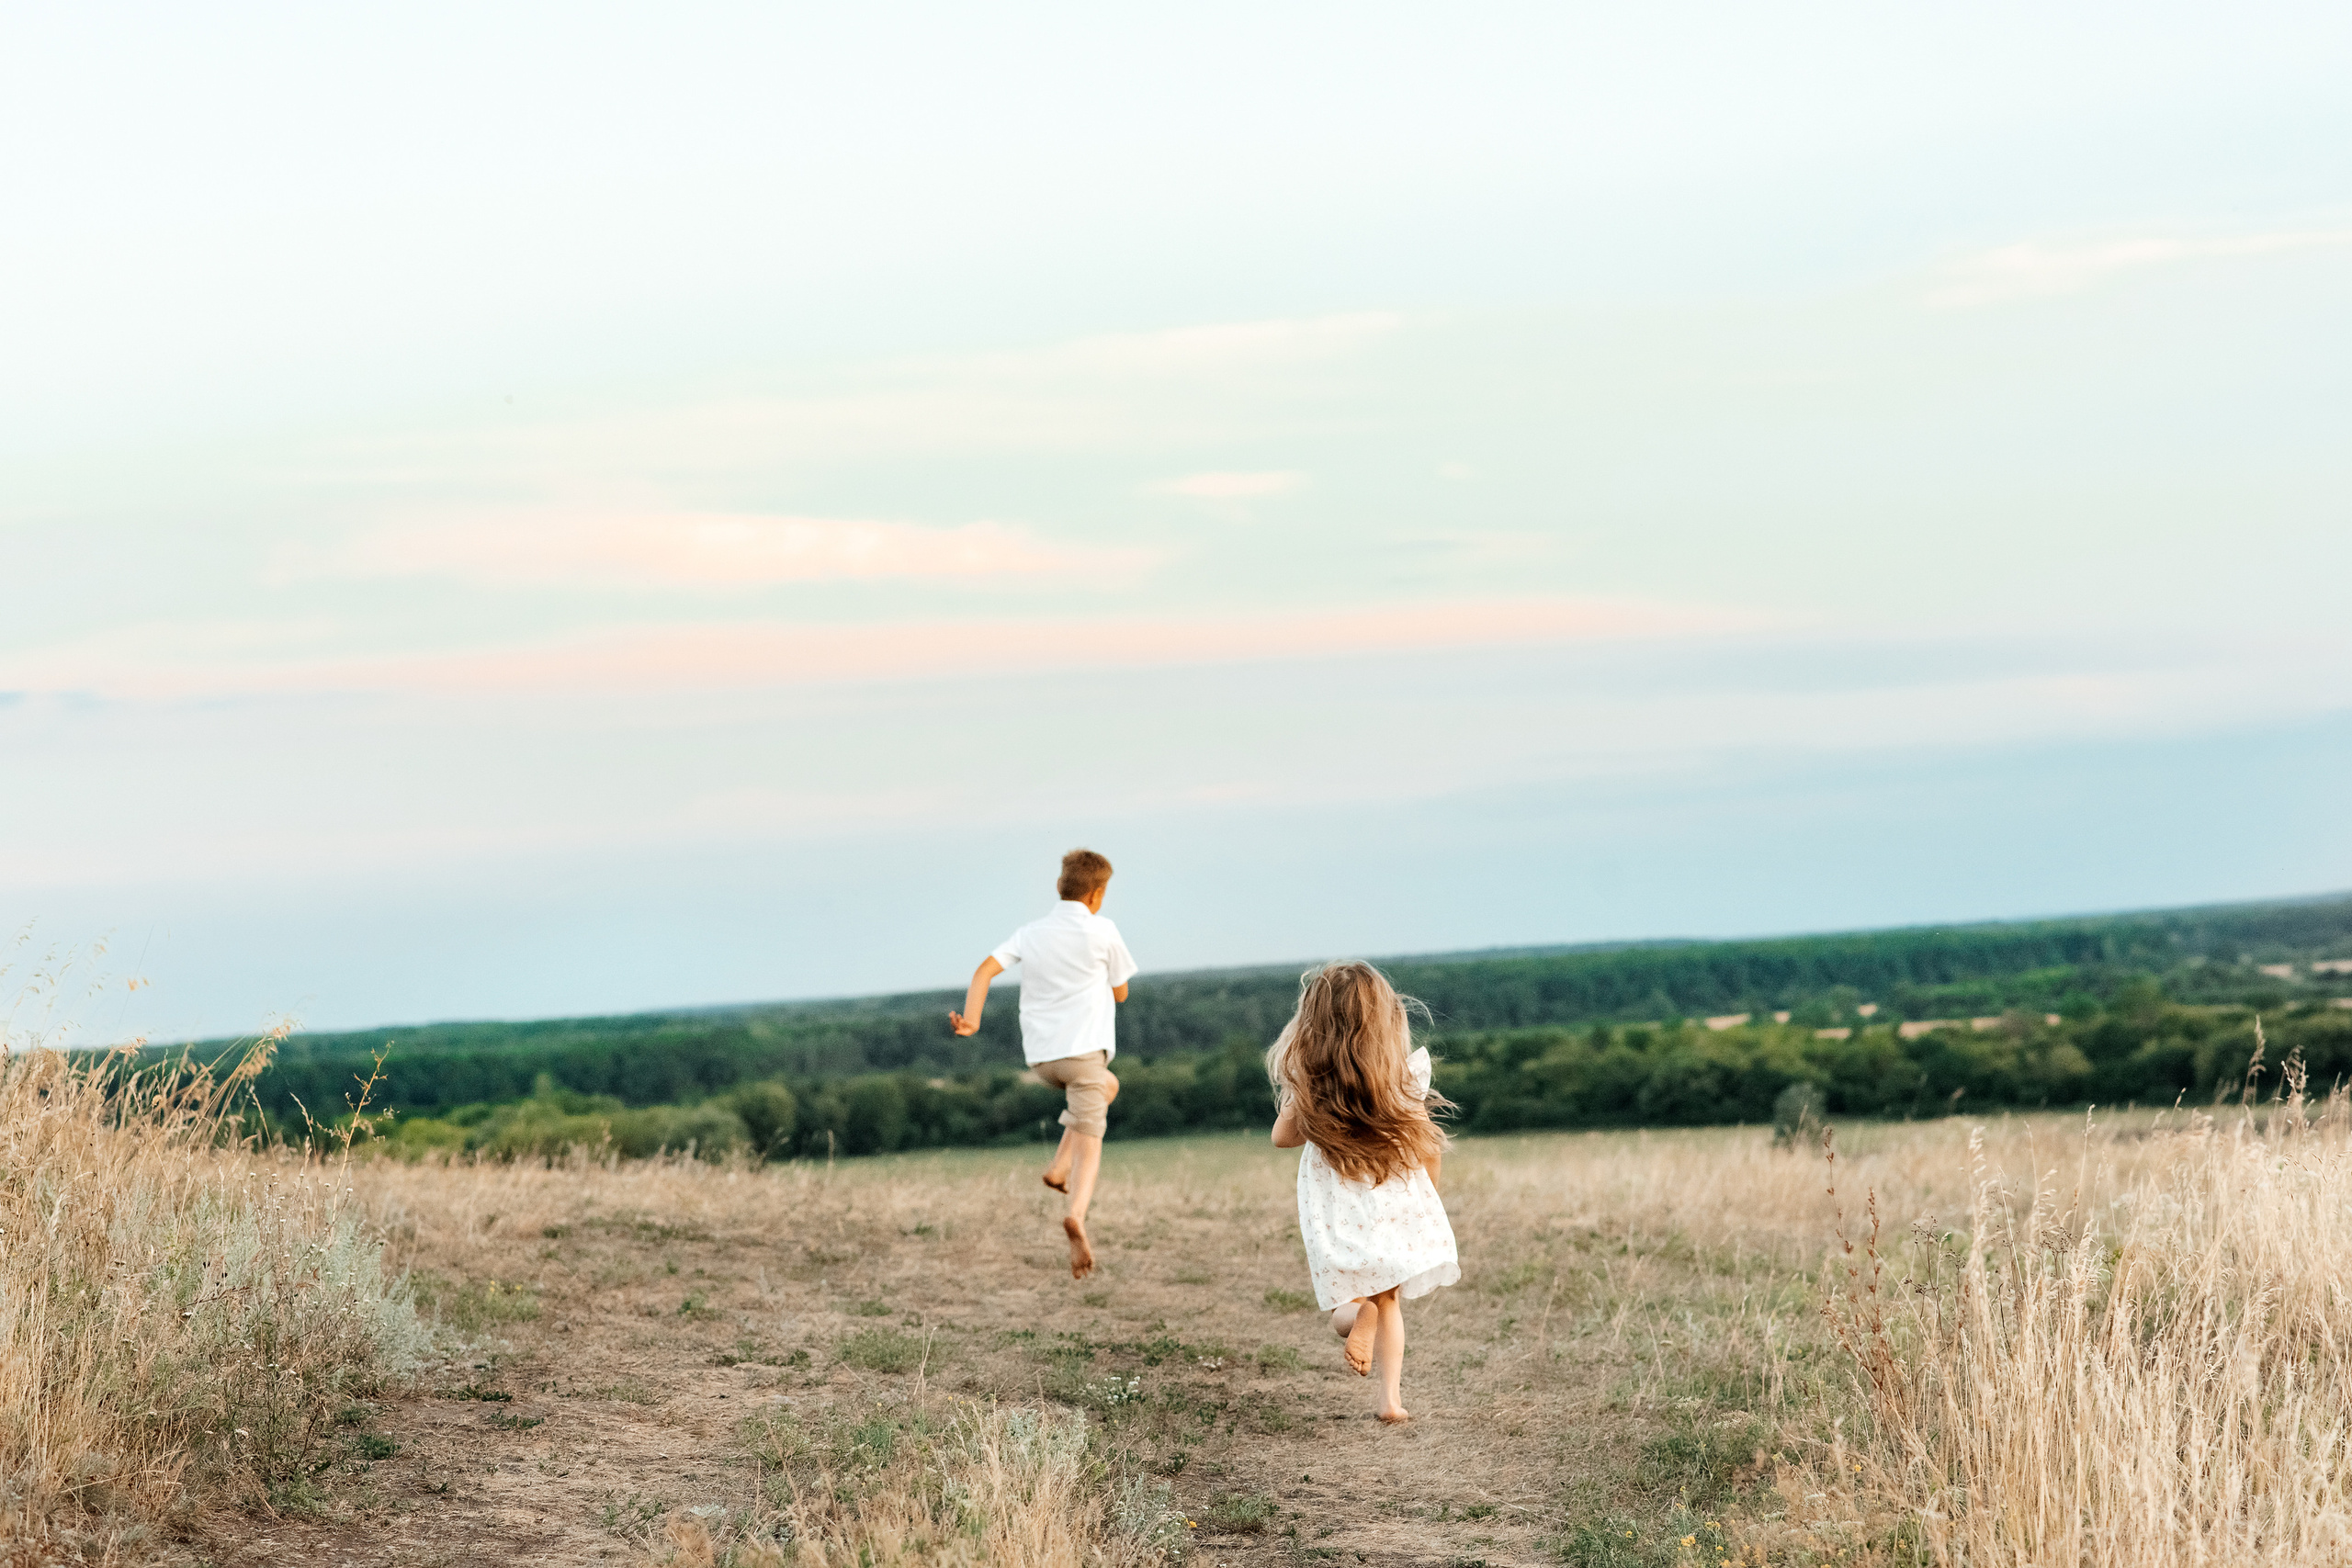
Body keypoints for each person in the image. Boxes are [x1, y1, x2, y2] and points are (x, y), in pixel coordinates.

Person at [1269, 960, 1459, 1423]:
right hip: (1391, 1205)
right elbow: (1428, 1149)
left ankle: (1358, 1319)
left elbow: (1282, 1137)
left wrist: (1302, 1091)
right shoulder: (1403, 1078)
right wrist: (1424, 1202)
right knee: (1389, 1299)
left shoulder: (1314, 1087)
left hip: (1339, 1215)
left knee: (1348, 1301)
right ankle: (1391, 1401)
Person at [950, 848, 1137, 1280]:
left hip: (1042, 1060)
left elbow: (983, 971)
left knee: (1108, 1087)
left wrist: (972, 1021)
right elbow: (1121, 992)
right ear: (1097, 895)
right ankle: (1076, 1215)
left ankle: (1056, 1169)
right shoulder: (1103, 931)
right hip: (1084, 1055)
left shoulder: (1030, 933)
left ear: (1059, 886)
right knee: (1092, 1144)